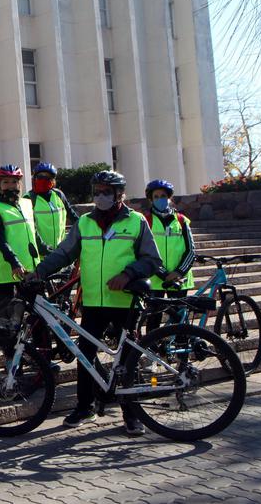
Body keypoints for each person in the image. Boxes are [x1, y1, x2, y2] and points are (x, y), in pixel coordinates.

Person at [27, 170, 162, 437]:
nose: (100, 196)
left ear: (119, 194)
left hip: (125, 302)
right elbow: (65, 253)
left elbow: (152, 260)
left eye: (106, 192)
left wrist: (128, 274)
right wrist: (40, 272)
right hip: (93, 301)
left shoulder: (136, 222)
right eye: (97, 191)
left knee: (127, 360)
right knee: (85, 354)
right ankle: (84, 406)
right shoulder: (85, 222)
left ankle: (131, 413)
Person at [0, 164, 46, 311]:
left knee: (38, 315)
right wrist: (14, 262)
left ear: (20, 183)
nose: (11, 186)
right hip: (6, 271)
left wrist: (51, 252)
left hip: (29, 269)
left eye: (14, 182)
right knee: (5, 322)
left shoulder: (27, 203)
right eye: (5, 182)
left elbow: (33, 235)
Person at [143, 178, 195, 334]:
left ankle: (182, 356)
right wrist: (164, 274)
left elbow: (191, 250)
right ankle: (153, 352)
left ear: (169, 197)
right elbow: (143, 251)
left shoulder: (181, 220)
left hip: (180, 279)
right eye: (156, 196)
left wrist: (178, 272)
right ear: (151, 199)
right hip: (155, 279)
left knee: (180, 321)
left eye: (163, 195)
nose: (160, 199)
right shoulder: (146, 221)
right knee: (153, 320)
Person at [25, 162, 79, 250]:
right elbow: (29, 228)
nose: (44, 180)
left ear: (53, 180)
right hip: (40, 254)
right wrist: (42, 248)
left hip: (60, 252)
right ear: (34, 179)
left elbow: (72, 215)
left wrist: (85, 229)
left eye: (48, 178)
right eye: (40, 177)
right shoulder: (28, 198)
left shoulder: (59, 195)